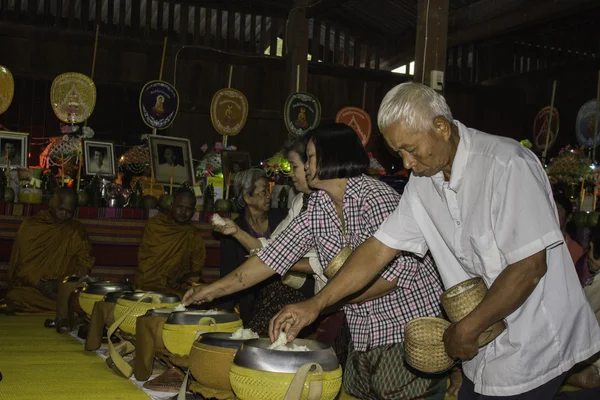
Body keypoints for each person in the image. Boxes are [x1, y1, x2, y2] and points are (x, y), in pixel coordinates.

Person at [270, 83, 600, 399]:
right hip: (483, 347)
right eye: (399, 153)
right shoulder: (424, 182)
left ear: (442, 127)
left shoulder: (506, 165)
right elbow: (377, 249)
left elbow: (529, 268)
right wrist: (315, 305)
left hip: (537, 339)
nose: (408, 164)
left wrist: (467, 328)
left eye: (411, 150)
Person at [184, 125, 446, 400]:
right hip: (365, 332)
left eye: (308, 157)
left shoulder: (376, 199)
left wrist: (318, 304)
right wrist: (209, 291)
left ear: (331, 157)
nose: (304, 166)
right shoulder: (319, 204)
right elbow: (270, 259)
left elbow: (392, 277)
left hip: (407, 331)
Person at [1, 188, 94, 324]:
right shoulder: (31, 226)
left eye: (69, 212)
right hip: (34, 289)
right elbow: (22, 267)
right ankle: (66, 308)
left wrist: (60, 284)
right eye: (61, 209)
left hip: (62, 290)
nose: (64, 215)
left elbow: (84, 265)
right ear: (52, 202)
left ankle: (65, 304)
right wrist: (40, 285)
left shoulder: (76, 230)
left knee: (82, 300)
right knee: (14, 296)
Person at [134, 189, 206, 296]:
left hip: (176, 288)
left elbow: (197, 271)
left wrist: (182, 280)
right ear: (172, 205)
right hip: (148, 283)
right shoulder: (155, 225)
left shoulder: (193, 234)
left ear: (194, 212)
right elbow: (145, 262)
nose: (183, 212)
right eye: (180, 207)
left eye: (188, 209)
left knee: (198, 295)